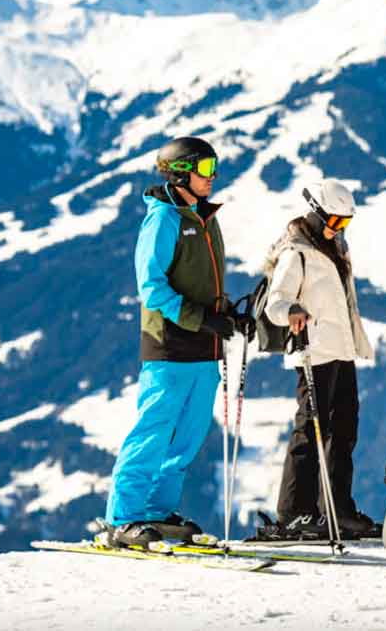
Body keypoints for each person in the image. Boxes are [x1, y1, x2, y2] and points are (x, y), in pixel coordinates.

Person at [105, 136, 251, 548]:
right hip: (169, 344)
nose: (213, 176)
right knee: (154, 429)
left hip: (204, 347)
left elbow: (205, 284)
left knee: (188, 436)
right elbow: (151, 288)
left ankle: (154, 510)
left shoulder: (206, 218)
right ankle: (123, 517)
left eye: (214, 167)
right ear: (180, 171)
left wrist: (225, 316)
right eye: (205, 168)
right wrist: (201, 318)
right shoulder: (164, 220)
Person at [260, 179, 378, 540]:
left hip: (340, 351)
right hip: (313, 351)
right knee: (310, 430)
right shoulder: (296, 252)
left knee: (344, 431)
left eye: (345, 223)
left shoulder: (336, 248)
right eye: (335, 220)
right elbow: (275, 303)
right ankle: (295, 512)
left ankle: (337, 510)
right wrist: (292, 309)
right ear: (315, 213)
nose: (340, 229)